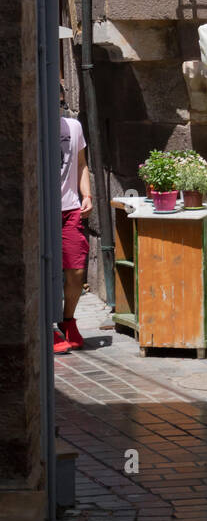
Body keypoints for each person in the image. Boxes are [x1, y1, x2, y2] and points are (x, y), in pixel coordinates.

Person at [57, 86, 92, 352]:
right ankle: (46, 326)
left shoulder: (73, 127)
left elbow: (81, 164)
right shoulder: (32, 127)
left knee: (77, 270)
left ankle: (67, 321)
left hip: (69, 210)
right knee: (42, 273)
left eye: (59, 102)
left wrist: (86, 195)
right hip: (41, 211)